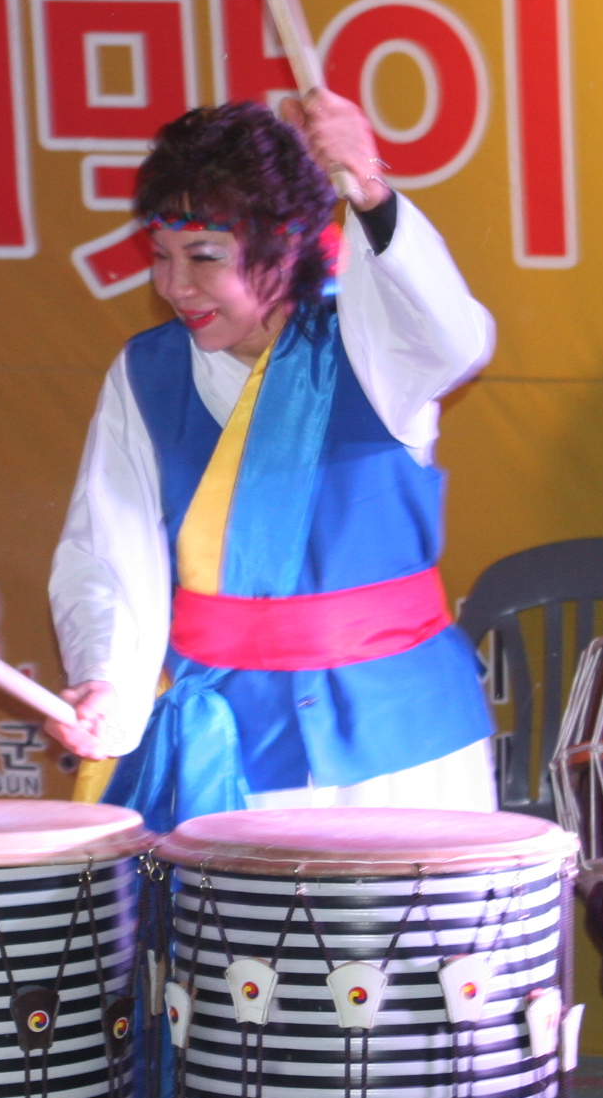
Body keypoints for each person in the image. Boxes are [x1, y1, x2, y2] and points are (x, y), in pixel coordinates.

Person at [45, 93, 498, 832]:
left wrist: (369, 190)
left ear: (285, 247)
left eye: (205, 257)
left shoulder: (371, 345)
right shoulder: (147, 373)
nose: (175, 285)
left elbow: (455, 339)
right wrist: (105, 679)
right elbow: (109, 555)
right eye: (161, 256)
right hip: (232, 742)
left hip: (400, 742)